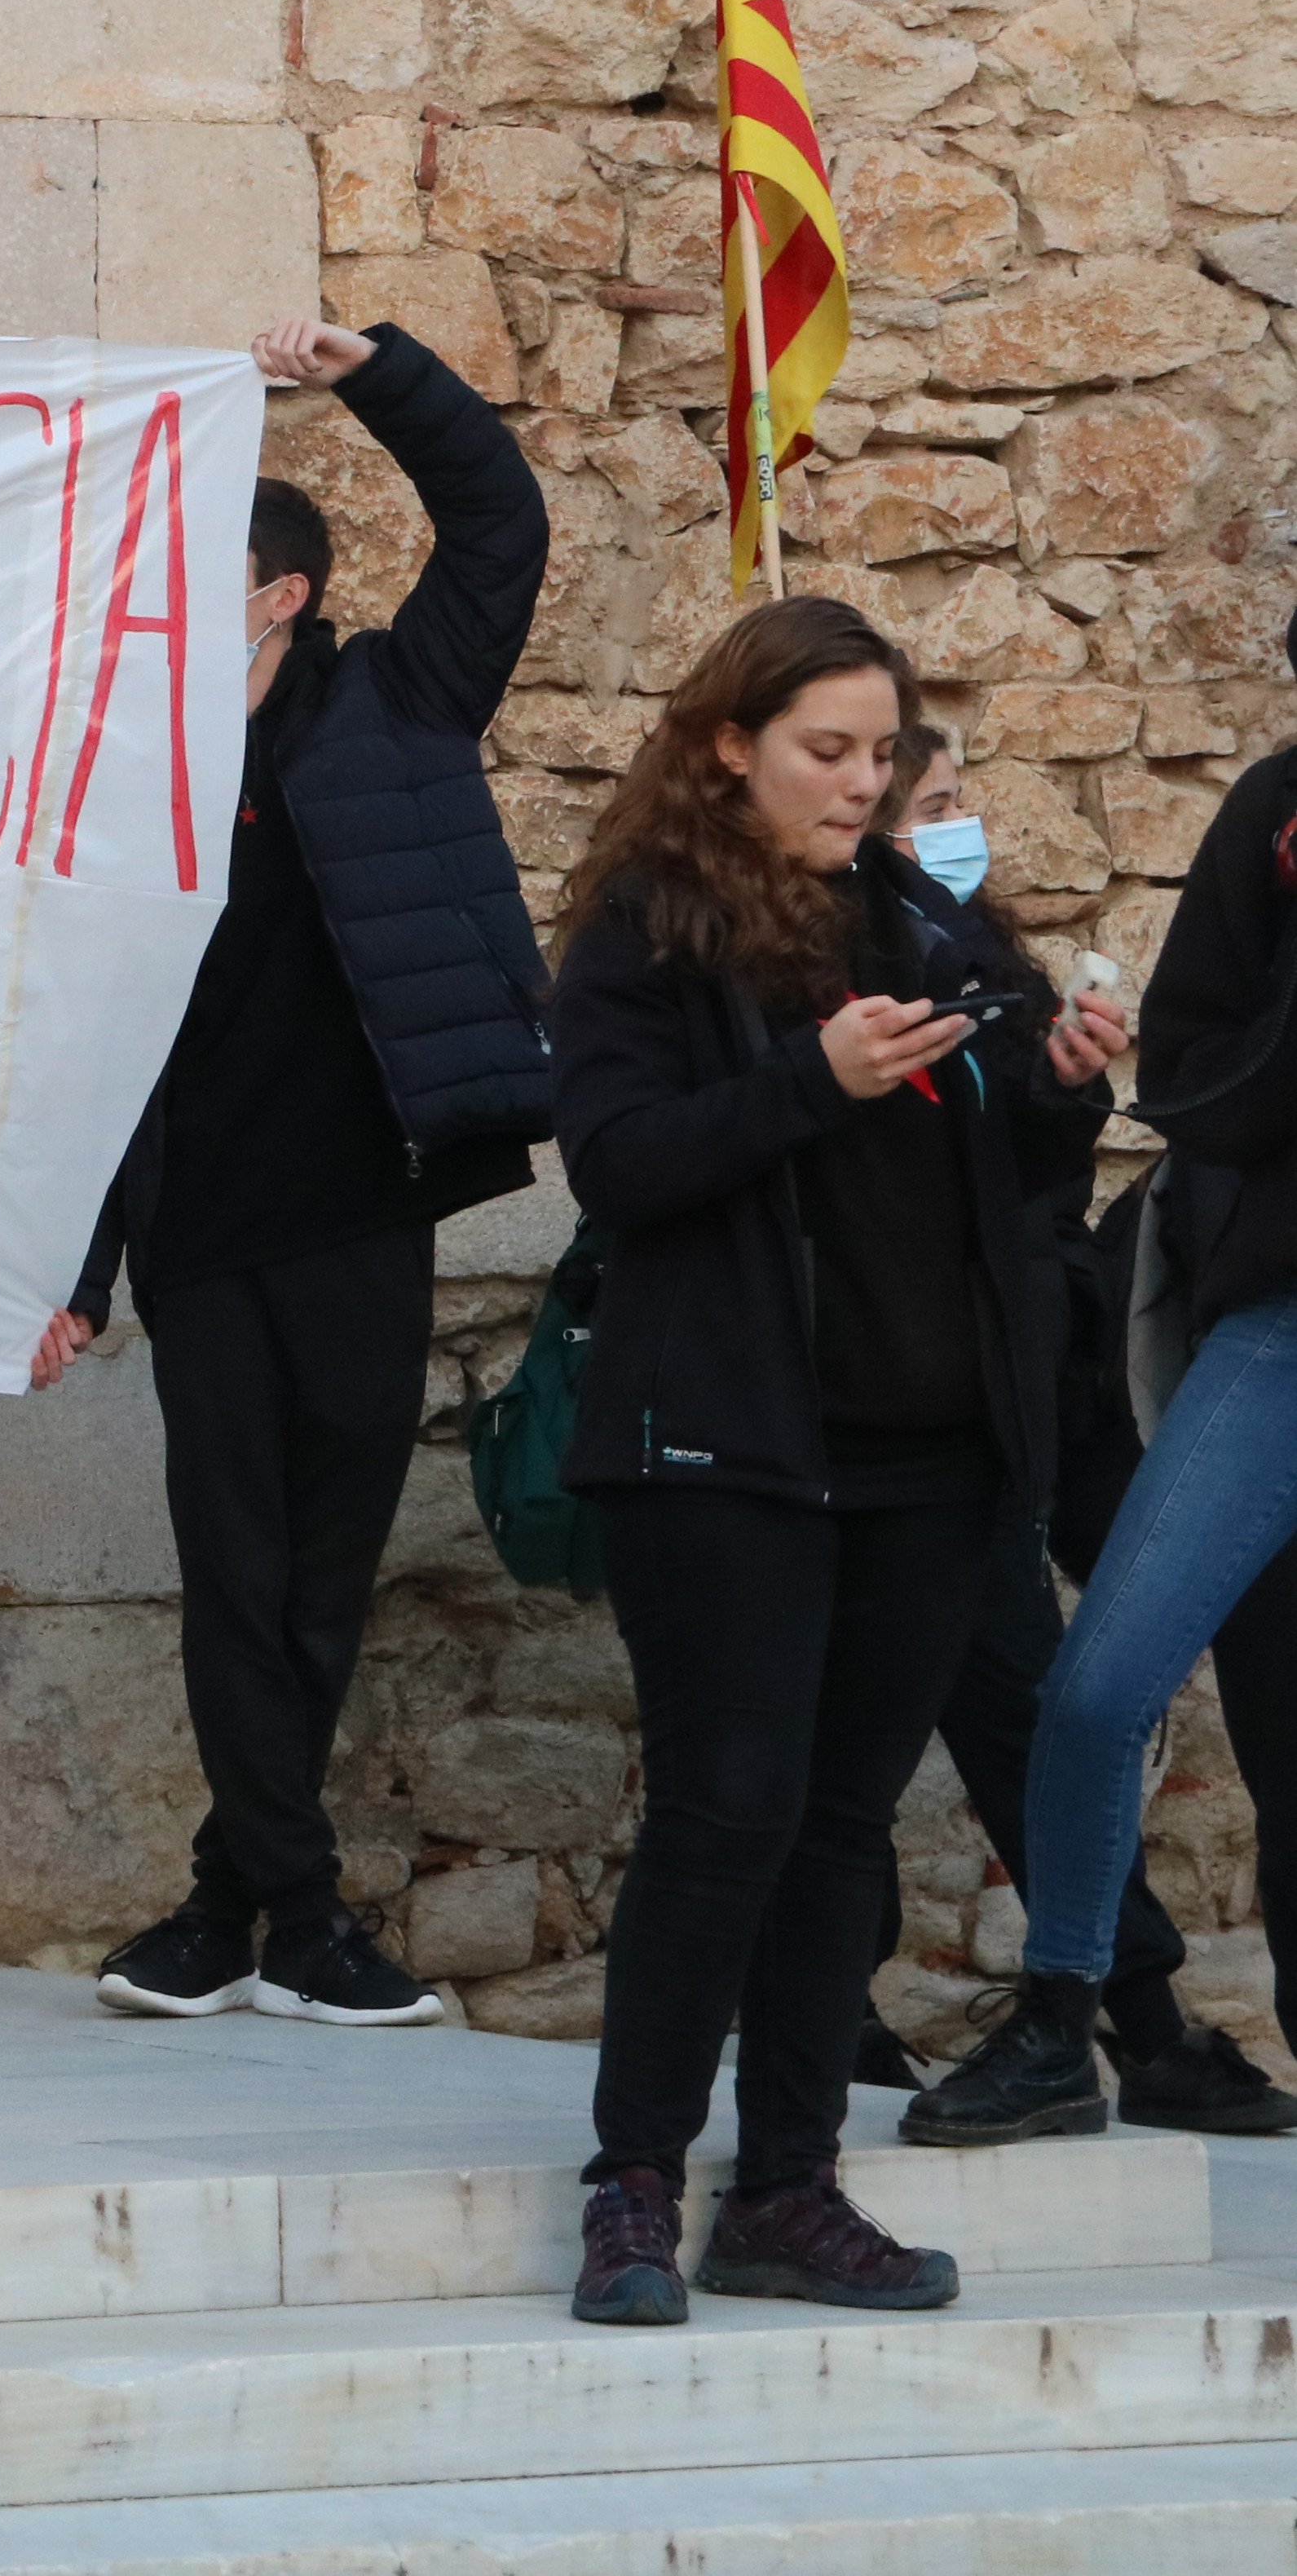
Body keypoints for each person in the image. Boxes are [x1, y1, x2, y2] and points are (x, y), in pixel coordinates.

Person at [548, 599, 1123, 2327]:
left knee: (845, 1828)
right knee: (727, 1812)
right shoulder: (646, 929)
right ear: (729, 743)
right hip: (725, 1445)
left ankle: (789, 2183)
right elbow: (618, 1163)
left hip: (927, 1458)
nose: (861, 783)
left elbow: (1003, 1176)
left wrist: (1068, 1086)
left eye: (882, 753)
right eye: (827, 750)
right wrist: (813, 1076)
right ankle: (635, 2182)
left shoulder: (928, 918)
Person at [42, 316, 553, 2033]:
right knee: (232, 1560)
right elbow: (88, 1038)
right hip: (204, 1228)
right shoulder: (128, 770)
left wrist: (374, 373)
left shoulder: (394, 706)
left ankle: (228, 1898)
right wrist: (78, 1266)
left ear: (278, 594)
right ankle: (293, 1907)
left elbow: (502, 526)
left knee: (321, 1567)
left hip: (360, 1208)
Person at [855, 732, 1297, 2134]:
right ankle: (1064, 2023)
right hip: (1276, 1321)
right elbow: (1200, 1074)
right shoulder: (1278, 811)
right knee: (1101, 1686)